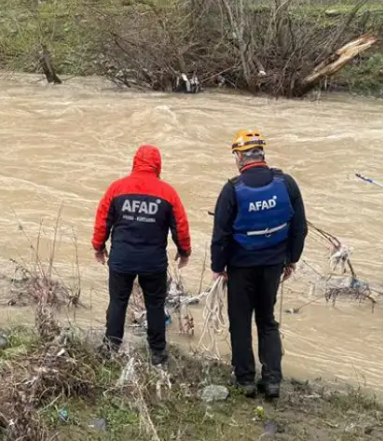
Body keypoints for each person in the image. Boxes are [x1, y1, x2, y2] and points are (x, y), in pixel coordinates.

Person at [210, 130, 306, 400]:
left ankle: (245, 381)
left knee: (240, 322)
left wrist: (218, 267)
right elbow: (299, 228)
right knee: (267, 320)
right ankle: (272, 379)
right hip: (274, 264)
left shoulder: (232, 189)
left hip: (241, 266)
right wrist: (292, 259)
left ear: (240, 157)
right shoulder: (287, 184)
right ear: (261, 154)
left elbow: (220, 234)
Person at [91, 144, 191, 367]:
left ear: (135, 162)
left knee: (118, 301)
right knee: (155, 305)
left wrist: (99, 246)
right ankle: (157, 353)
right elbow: (181, 226)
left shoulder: (116, 189)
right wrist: (184, 252)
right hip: (153, 262)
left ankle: (111, 347)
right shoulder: (168, 193)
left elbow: (102, 220)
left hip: (121, 259)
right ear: (158, 165)